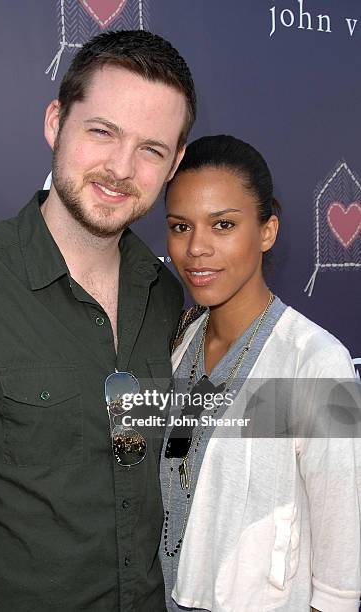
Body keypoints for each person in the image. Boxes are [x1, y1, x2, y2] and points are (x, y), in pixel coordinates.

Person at [0, 30, 197, 612]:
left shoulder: (166, 293)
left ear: (175, 164)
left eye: (151, 149)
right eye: (102, 132)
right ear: (54, 122)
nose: (120, 168)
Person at [159, 135, 361, 612]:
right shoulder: (178, 344)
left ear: (267, 230)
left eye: (223, 224)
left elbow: (341, 552)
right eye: (180, 226)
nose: (196, 249)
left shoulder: (315, 361)